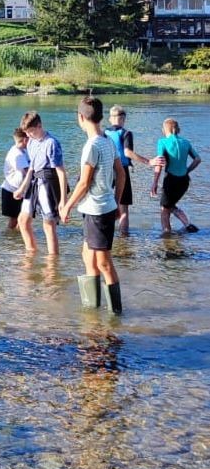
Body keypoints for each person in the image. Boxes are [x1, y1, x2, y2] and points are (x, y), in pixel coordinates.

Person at [60, 97, 126, 314]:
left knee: (104, 263)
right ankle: (92, 310)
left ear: (81, 118)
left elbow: (84, 182)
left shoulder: (91, 145)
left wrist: (67, 205)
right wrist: (116, 201)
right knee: (88, 256)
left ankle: (115, 314)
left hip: (98, 211)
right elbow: (121, 173)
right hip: (98, 209)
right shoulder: (107, 140)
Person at [14, 111, 67, 255]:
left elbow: (61, 172)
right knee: (23, 220)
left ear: (39, 126)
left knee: (48, 225)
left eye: (31, 131)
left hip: (48, 182)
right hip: (34, 182)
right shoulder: (31, 142)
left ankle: (52, 262)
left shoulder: (51, 143)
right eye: (27, 132)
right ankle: (31, 253)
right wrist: (22, 188)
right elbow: (31, 168)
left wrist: (63, 200)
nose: (29, 135)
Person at [104, 105, 155, 236]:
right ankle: (124, 237)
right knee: (123, 206)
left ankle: (105, 233)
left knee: (105, 204)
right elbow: (127, 152)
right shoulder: (126, 133)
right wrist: (148, 161)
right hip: (122, 171)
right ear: (123, 119)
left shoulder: (104, 133)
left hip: (106, 171)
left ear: (110, 119)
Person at [151, 118, 201, 234]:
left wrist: (154, 182)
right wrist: (187, 171)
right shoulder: (186, 142)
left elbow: (159, 163)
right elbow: (198, 159)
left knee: (164, 209)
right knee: (170, 205)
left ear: (164, 129)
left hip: (171, 180)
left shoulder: (162, 142)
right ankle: (188, 225)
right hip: (184, 181)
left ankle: (167, 235)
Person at [0, 128, 29, 230]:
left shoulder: (21, 150)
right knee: (16, 219)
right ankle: (12, 240)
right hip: (12, 190)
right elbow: (28, 171)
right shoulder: (18, 154)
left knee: (19, 219)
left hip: (15, 190)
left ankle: (13, 242)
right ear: (25, 140)